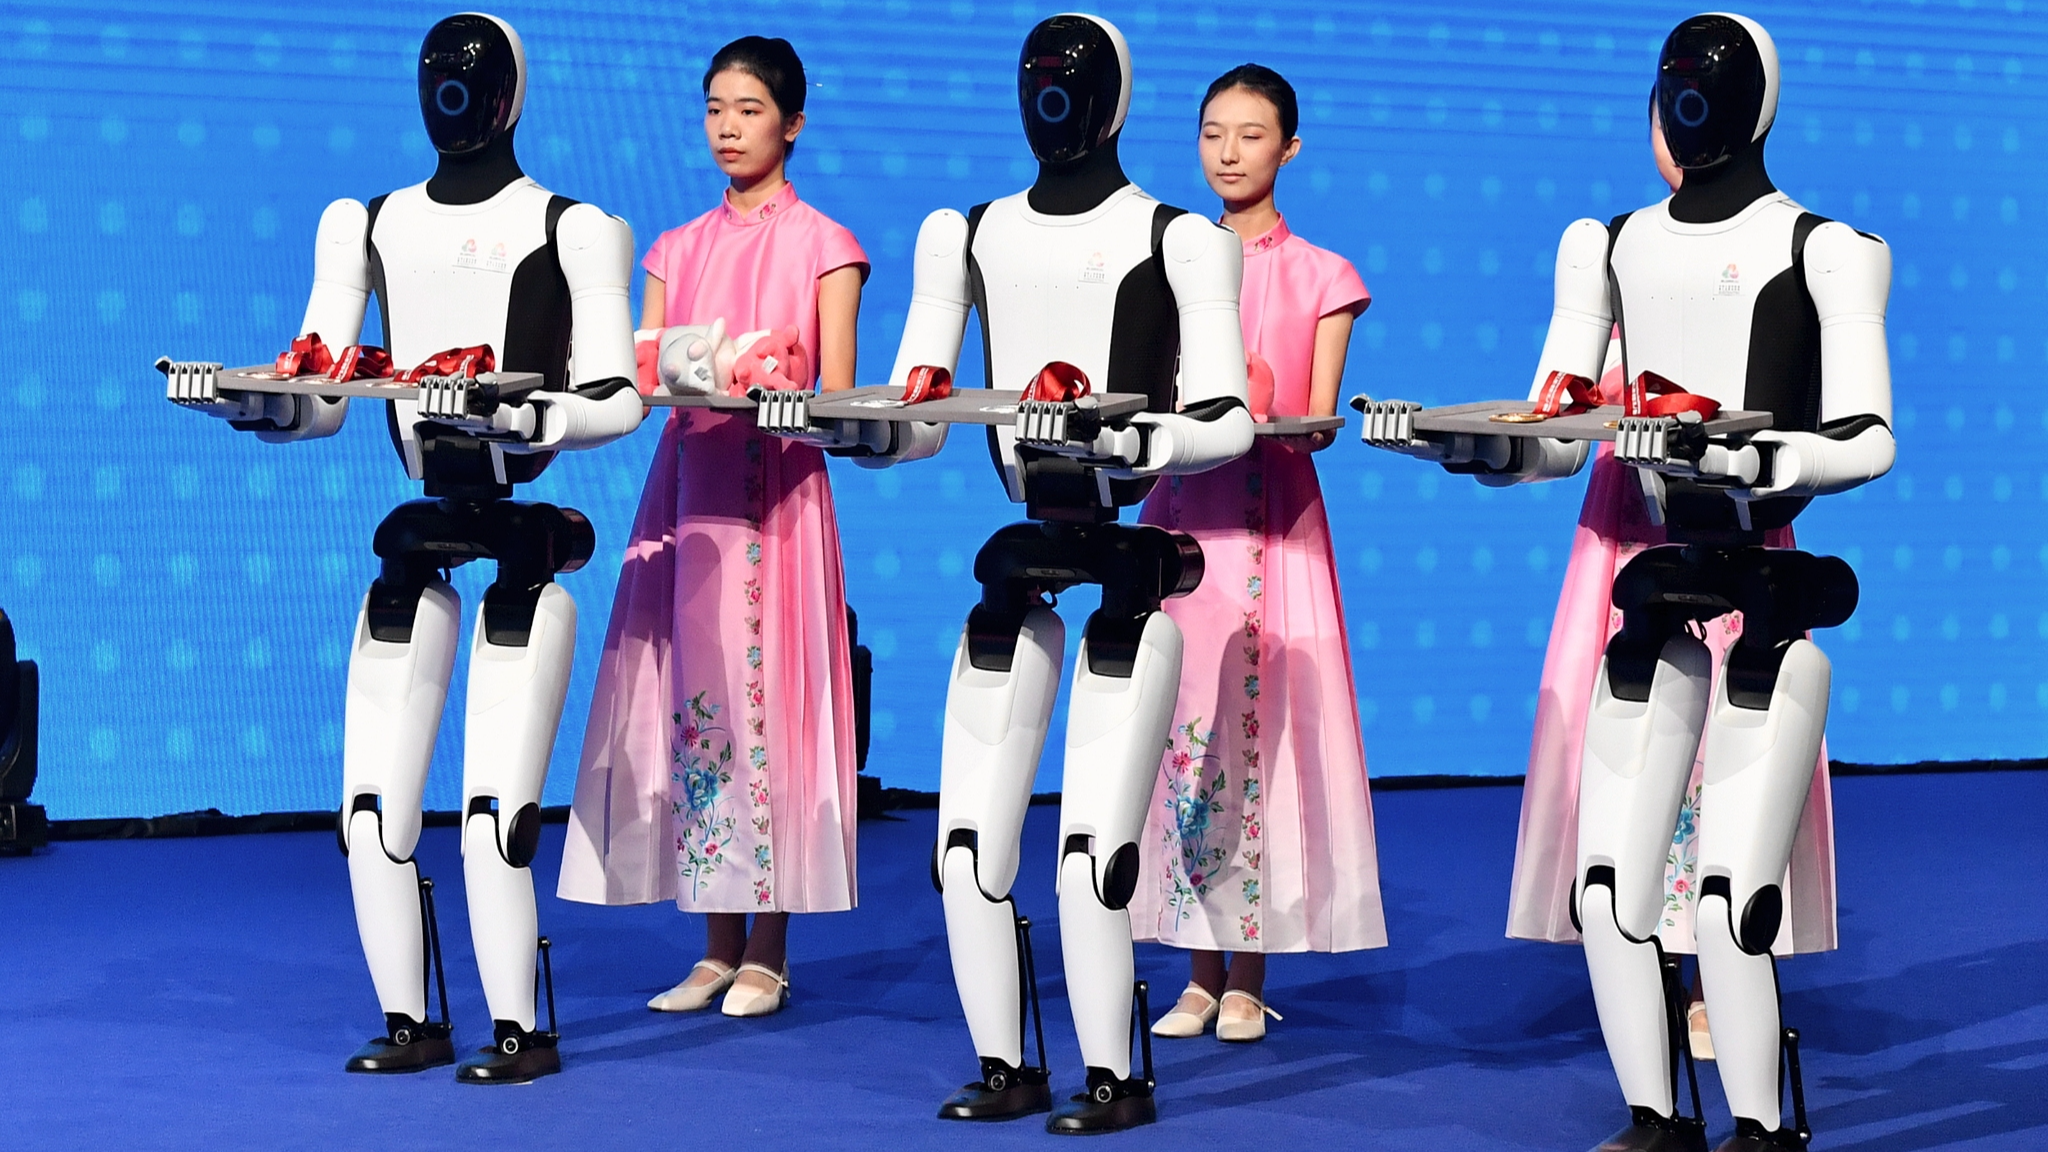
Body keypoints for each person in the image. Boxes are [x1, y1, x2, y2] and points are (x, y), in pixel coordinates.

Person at [1504, 95, 1838, 1066]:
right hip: (1625, 535)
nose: (1683, 132)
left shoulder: (1784, 254)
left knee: (1725, 763)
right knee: (1630, 757)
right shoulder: (1609, 255)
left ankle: (1709, 983)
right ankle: (1640, 971)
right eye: (1665, 115)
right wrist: (1508, 448)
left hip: (1730, 531)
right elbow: (1553, 412)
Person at [557, 35, 867, 1020]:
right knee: (693, 703)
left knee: (766, 704)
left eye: (748, 109)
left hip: (775, 501)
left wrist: (774, 386)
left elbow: (841, 391)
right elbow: (641, 370)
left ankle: (768, 947)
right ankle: (710, 940)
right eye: (714, 109)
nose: (728, 128)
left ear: (792, 122)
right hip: (688, 491)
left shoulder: (828, 244)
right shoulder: (673, 249)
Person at [1135, 64, 1386, 1046]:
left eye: (1248, 135)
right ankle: (1194, 969)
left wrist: (1252, 410)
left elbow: (1316, 422)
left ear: (1287, 147)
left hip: (1274, 526)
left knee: (1259, 734)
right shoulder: (1164, 265)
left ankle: (1248, 972)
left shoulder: (1322, 275)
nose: (1227, 152)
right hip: (1181, 525)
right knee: (1182, 732)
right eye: (1211, 133)